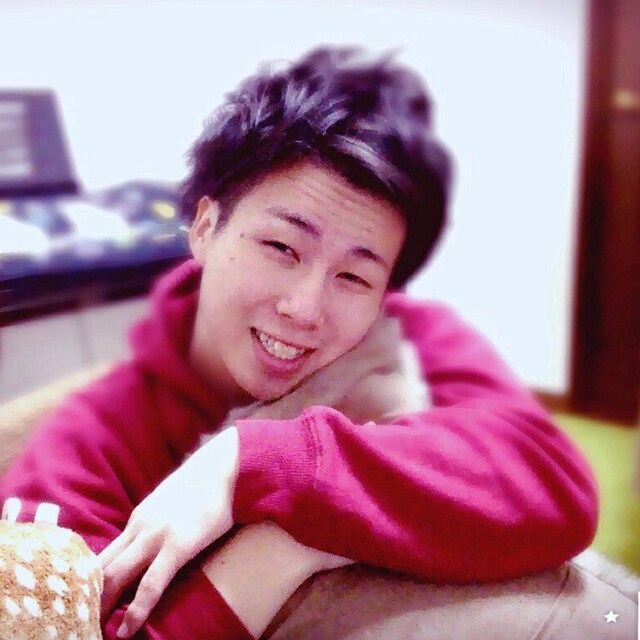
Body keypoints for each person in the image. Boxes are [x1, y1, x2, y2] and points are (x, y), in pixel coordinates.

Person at [0, 46, 601, 639]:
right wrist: (276, 551)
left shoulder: (411, 332)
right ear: (206, 227)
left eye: (354, 276)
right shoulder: (87, 440)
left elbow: (551, 481)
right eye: (281, 247)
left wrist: (256, 466)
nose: (304, 310)